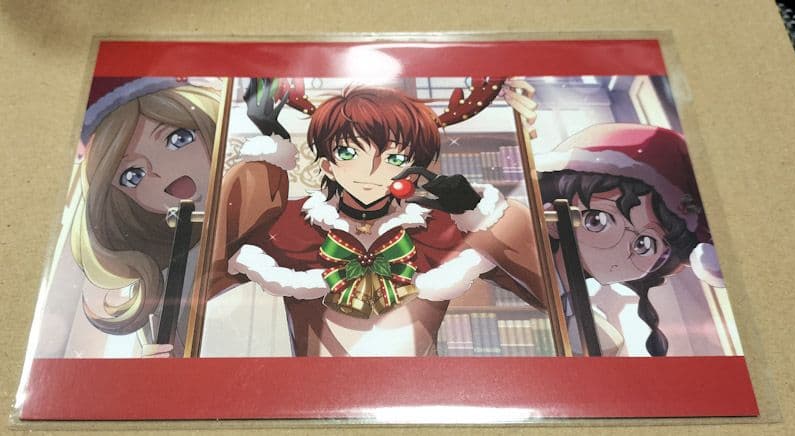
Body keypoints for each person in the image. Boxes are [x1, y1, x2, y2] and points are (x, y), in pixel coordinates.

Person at [205, 82, 546, 356]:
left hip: (419, 395)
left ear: (415, 167)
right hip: (316, 395)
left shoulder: (441, 227)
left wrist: (475, 208)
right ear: (327, 165)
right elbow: (207, 277)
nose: (370, 170)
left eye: (394, 157)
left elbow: (545, 289)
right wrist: (267, 153)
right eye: (349, 152)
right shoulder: (294, 224)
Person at [536, 123, 724, 356]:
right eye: (598, 220)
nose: (620, 250)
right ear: (552, 216)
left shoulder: (589, 326)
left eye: (644, 244)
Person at [70, 77, 220, 356]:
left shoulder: (261, 196)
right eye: (133, 175)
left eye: (178, 139)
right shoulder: (166, 282)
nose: (163, 173)